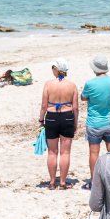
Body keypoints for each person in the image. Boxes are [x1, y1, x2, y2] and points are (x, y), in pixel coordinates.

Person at [39, 59, 78, 189]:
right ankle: (62, 182)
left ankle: (51, 182)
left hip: (51, 117)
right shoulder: (72, 85)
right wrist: (75, 123)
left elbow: (44, 106)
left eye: (52, 67)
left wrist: (41, 120)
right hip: (67, 117)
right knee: (65, 153)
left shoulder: (48, 84)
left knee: (52, 153)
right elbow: (75, 107)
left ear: (56, 69)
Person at [81, 55, 110, 185]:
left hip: (94, 123)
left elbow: (83, 97)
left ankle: (94, 181)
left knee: (94, 153)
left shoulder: (90, 83)